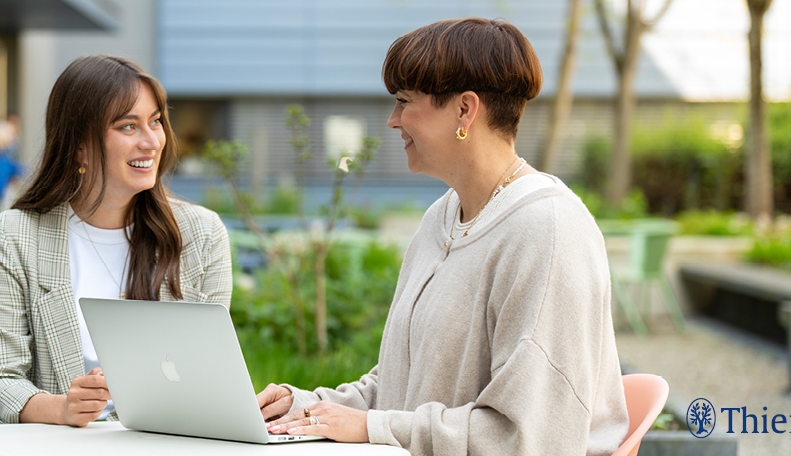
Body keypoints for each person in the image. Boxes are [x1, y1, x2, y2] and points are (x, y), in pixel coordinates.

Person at [258, 18, 629, 455]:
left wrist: (373, 427)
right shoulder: (442, 217)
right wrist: (308, 408)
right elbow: (401, 390)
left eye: (403, 102)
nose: (393, 121)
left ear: (464, 110)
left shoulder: (547, 231)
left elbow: (528, 437)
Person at [0, 55, 232, 427]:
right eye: (128, 126)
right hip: (47, 447)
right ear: (79, 144)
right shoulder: (13, 237)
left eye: (155, 121)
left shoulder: (202, 234)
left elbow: (210, 375)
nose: (151, 141)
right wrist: (61, 409)